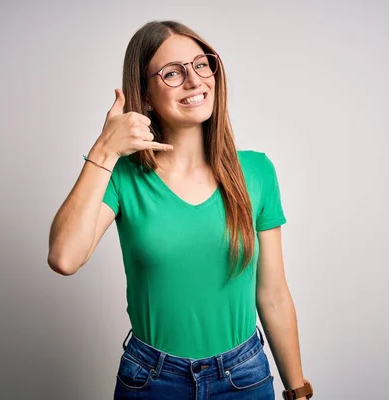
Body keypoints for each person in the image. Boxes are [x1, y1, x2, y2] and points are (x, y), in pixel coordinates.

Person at [48, 20, 311, 400]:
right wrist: (104, 149)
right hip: (152, 380)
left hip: (244, 378)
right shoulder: (123, 176)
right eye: (172, 72)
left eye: (201, 64)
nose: (194, 80)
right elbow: (64, 257)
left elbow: (272, 294)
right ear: (147, 94)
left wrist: (298, 391)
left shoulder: (256, 172)